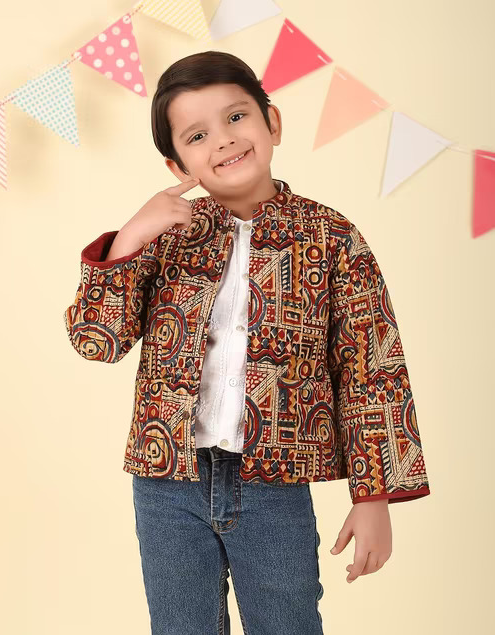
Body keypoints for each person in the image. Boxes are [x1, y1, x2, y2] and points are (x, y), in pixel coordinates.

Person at [64, 50, 431, 635]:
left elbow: (373, 369)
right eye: (197, 135)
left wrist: (373, 496)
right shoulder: (165, 238)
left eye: (236, 117)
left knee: (287, 624)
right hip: (167, 483)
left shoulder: (332, 238)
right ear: (176, 162)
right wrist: (131, 235)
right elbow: (95, 340)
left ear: (272, 122)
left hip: (274, 483)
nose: (224, 140)